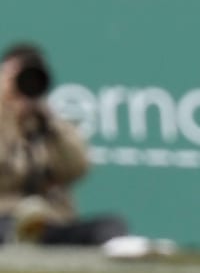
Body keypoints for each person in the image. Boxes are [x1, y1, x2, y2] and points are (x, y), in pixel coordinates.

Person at [0, 43, 127, 246]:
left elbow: (78, 167)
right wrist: (6, 112)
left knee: (112, 226)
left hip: (51, 223)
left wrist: (48, 119)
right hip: (6, 219)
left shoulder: (49, 124)